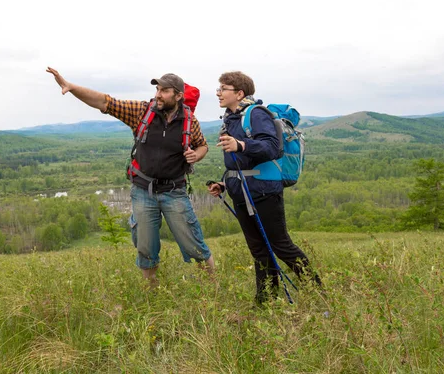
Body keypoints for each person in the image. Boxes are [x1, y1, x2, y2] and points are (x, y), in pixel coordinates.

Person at [47, 67, 214, 285]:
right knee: (146, 247)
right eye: (157, 89)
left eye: (164, 91)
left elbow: (202, 145)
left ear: (178, 96)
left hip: (174, 191)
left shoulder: (190, 122)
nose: (157, 94)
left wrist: (196, 155)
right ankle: (150, 294)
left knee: (194, 243)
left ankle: (212, 289)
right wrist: (71, 87)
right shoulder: (142, 112)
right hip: (143, 190)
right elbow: (105, 102)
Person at [208, 71, 321, 303]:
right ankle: (265, 300)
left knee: (280, 245)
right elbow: (239, 161)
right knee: (259, 250)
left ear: (239, 93)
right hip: (242, 191)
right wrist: (224, 183)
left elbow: (272, 148)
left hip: (264, 191)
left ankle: (318, 291)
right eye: (218, 89)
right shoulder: (231, 118)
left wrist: (240, 144)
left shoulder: (256, 114)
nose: (218, 93)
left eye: (223, 89)